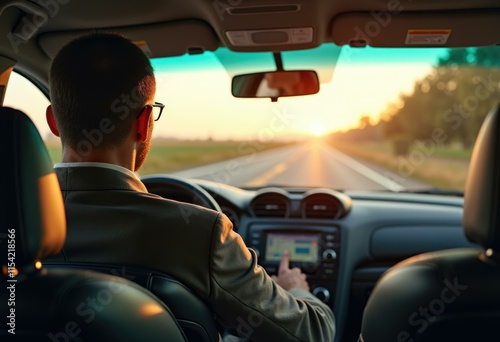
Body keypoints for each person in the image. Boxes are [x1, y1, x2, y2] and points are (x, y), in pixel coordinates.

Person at [45, 32, 335, 342]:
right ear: (144, 123)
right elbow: (313, 333)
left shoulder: (13, 228)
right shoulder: (202, 233)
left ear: (54, 122)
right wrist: (297, 289)